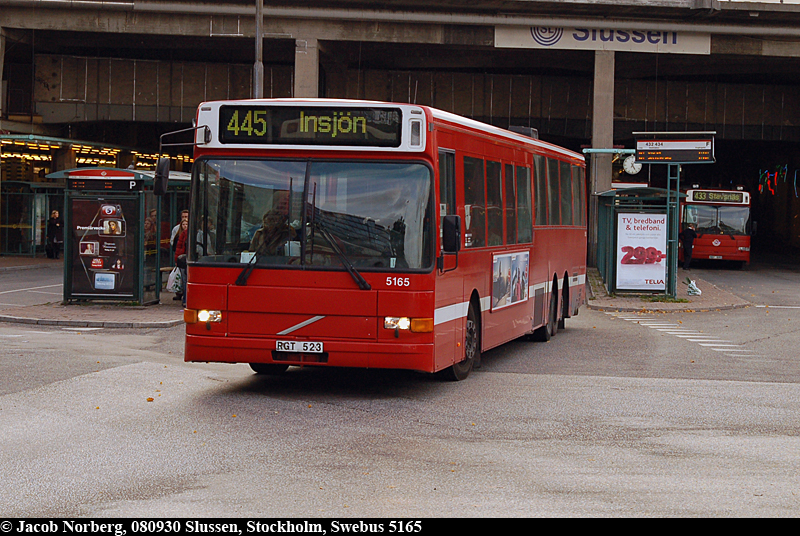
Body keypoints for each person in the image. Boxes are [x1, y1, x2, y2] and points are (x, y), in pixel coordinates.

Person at [174, 219, 189, 304]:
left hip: (190, 259)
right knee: (184, 280)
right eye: (183, 224)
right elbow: (178, 248)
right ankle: (185, 300)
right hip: (183, 259)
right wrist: (177, 260)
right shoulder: (183, 234)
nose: (185, 226)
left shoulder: (199, 233)